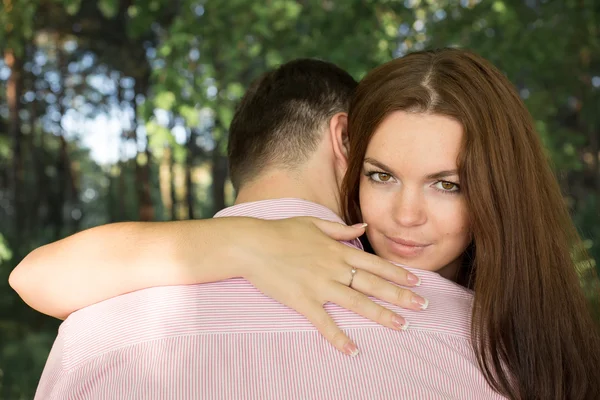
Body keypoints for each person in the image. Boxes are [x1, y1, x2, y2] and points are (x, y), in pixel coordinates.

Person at [13, 48, 600, 399]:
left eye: (449, 184)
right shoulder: (484, 350)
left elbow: (32, 278)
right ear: (349, 144)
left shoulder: (98, 326)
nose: (405, 215)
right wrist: (252, 243)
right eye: (381, 175)